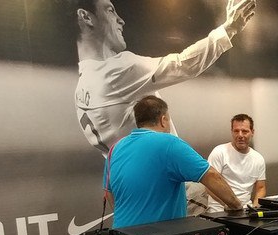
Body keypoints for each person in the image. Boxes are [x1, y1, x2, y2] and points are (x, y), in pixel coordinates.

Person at [72, 0, 256, 154]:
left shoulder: (81, 90)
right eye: (110, 11)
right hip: (158, 180)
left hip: (127, 182)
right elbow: (183, 64)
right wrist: (230, 28)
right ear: (86, 17)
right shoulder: (115, 70)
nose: (121, 20)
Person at [104, 96, 242, 228]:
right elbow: (210, 175)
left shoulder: (115, 149)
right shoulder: (169, 142)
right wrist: (236, 205)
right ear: (163, 120)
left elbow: (109, 192)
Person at [205, 114, 267, 212]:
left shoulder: (258, 159)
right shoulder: (219, 152)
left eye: (245, 131)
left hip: (246, 211)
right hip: (219, 211)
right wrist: (228, 205)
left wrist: (255, 208)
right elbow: (209, 186)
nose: (240, 135)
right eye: (236, 131)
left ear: (252, 132)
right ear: (232, 132)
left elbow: (261, 188)